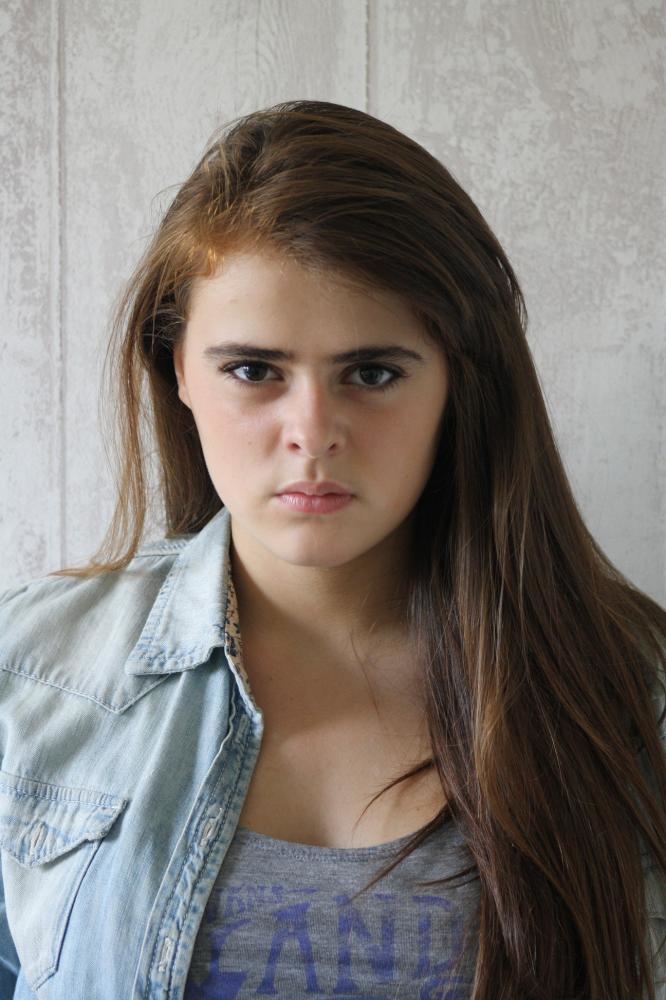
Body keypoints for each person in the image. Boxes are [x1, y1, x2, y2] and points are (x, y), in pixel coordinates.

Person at [0, 99, 664, 1000]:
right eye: (253, 370)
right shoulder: (28, 672)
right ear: (178, 369)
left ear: (459, 382)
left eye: (372, 372)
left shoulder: (630, 690)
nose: (312, 433)